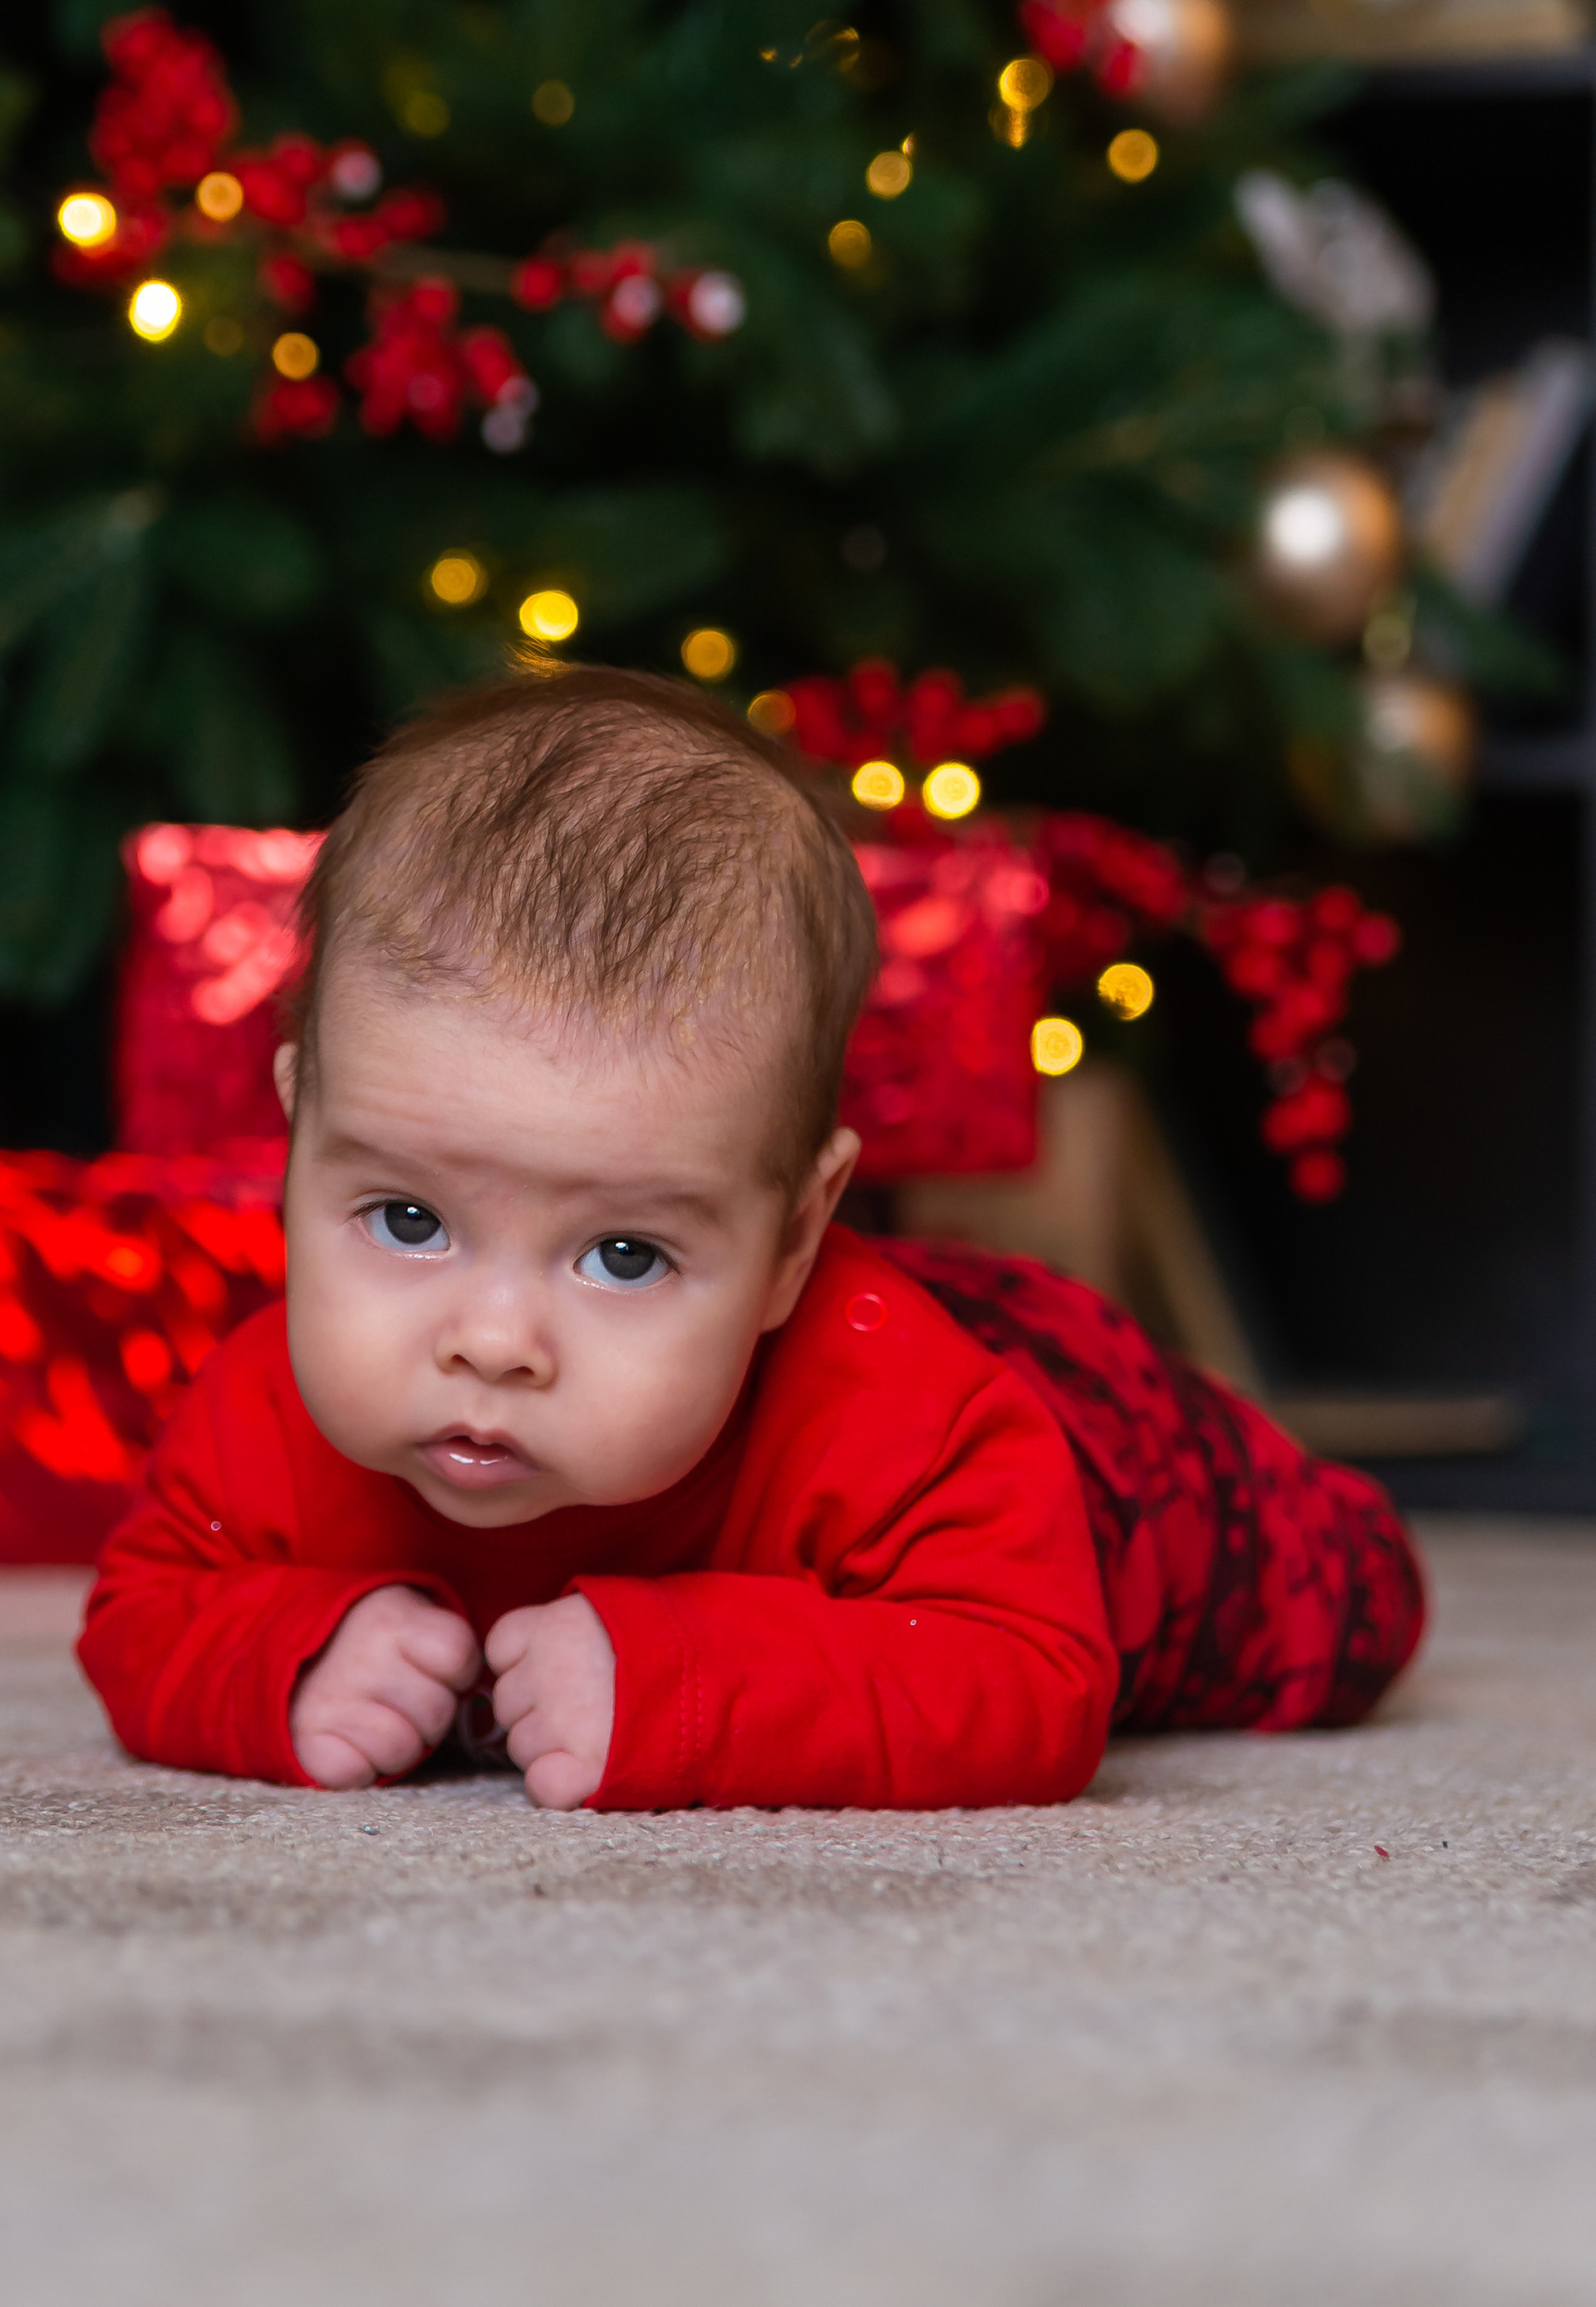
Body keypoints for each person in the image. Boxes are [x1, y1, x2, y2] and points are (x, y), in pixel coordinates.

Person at [78, 670, 1423, 1811]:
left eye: (623, 1254)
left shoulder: (909, 1423)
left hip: (1087, 1432)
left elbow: (1030, 1671)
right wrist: (285, 1653)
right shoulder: (265, 1403)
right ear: (299, 1135)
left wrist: (689, 1681)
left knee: (1339, 1602)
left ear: (795, 1237)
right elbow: (142, 1606)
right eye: (411, 1219)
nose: (490, 1340)